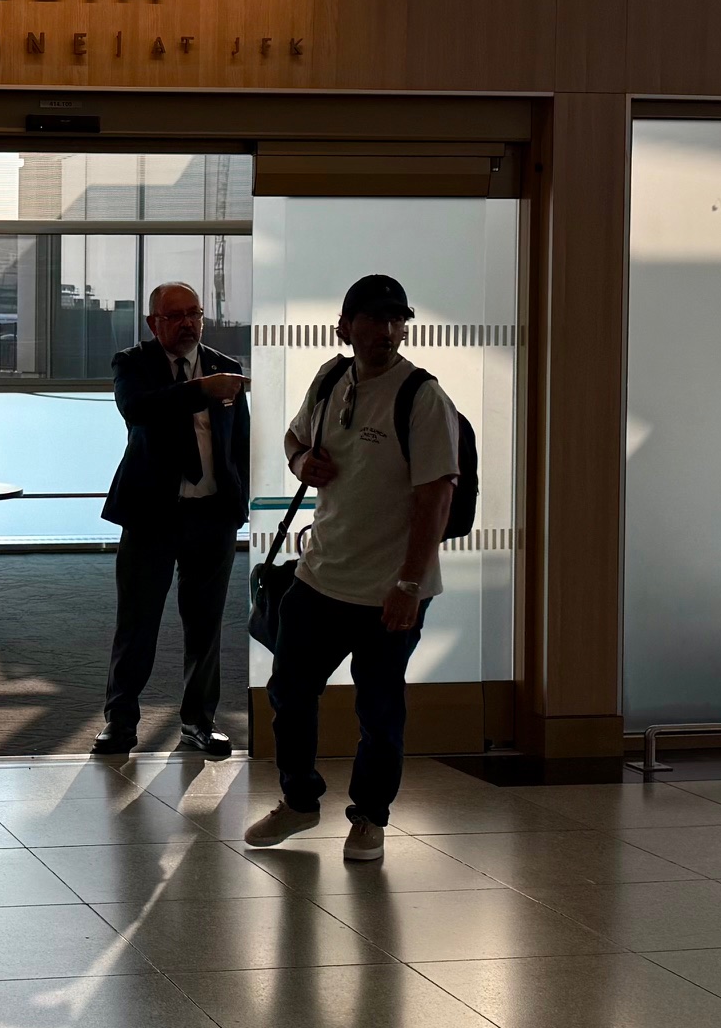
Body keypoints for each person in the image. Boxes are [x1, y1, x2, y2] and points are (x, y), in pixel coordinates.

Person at [246, 273, 457, 862]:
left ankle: (370, 818)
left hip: (393, 587)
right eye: (372, 319)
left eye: (396, 320)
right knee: (289, 690)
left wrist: (409, 585)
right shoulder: (332, 378)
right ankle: (299, 801)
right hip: (321, 574)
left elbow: (436, 497)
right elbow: (294, 441)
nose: (386, 331)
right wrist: (302, 463)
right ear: (346, 327)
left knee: (379, 707)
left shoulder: (423, 398)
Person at [97, 282, 250, 758]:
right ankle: (120, 724)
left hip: (212, 516)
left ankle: (199, 723)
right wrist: (199, 390)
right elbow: (137, 409)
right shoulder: (134, 363)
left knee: (205, 626)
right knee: (137, 622)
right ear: (153, 323)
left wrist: (236, 504)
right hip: (151, 514)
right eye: (176, 315)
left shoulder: (227, 369)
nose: (187, 323)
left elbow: (239, 442)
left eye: (194, 314)